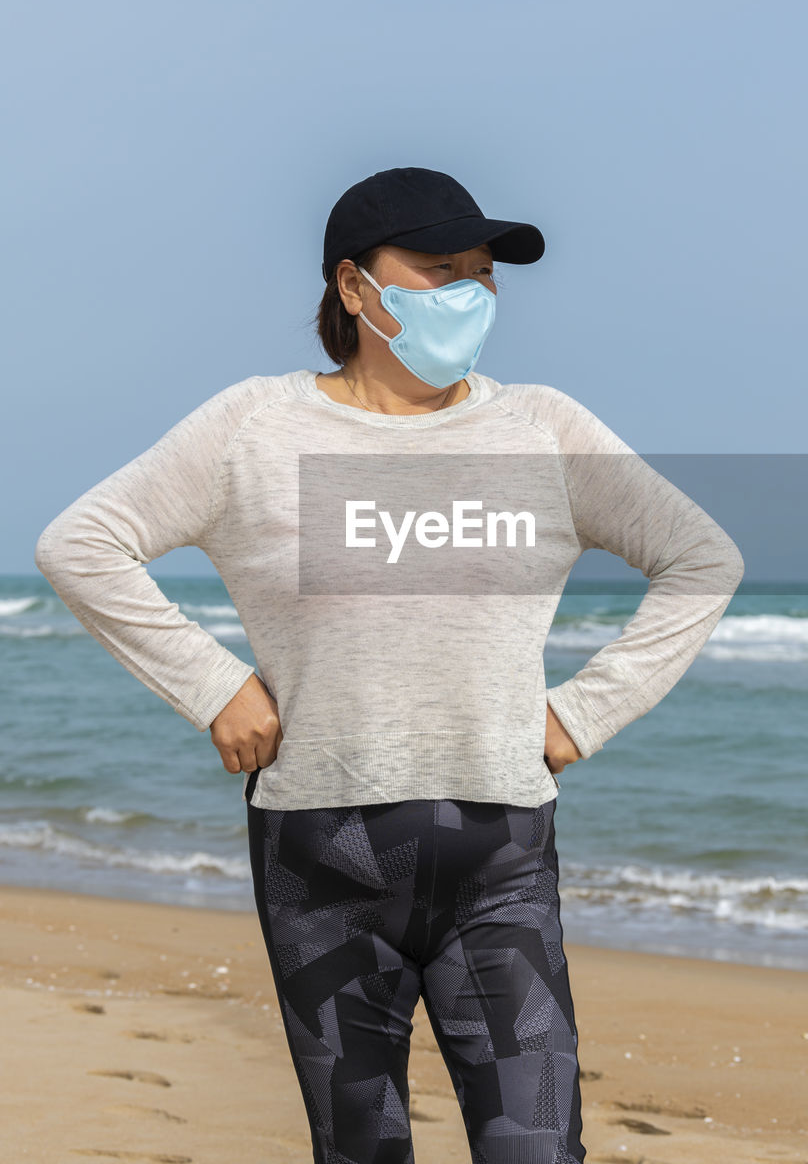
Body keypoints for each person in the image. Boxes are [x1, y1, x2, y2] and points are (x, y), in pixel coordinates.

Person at [35, 165, 745, 1164]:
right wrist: (214, 684)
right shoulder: (254, 426)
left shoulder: (541, 428)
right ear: (355, 287)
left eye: (482, 272)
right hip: (320, 849)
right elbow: (84, 542)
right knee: (359, 1147)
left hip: (496, 850)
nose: (470, 292)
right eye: (439, 267)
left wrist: (584, 710)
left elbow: (702, 557)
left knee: (536, 1147)